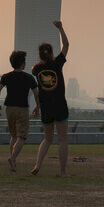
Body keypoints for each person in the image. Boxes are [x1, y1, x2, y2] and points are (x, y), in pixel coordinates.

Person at [30, 20, 70, 177]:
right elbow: (66, 45)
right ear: (52, 53)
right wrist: (60, 28)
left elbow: (34, 70)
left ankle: (37, 165)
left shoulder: (36, 68)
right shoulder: (57, 63)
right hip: (60, 105)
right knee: (62, 139)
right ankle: (63, 172)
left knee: (47, 139)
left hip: (46, 107)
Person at [0, 50, 41, 173]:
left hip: (9, 109)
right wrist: (38, 106)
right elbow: (36, 93)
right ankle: (12, 158)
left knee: (14, 136)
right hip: (22, 109)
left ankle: (13, 165)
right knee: (22, 137)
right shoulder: (29, 77)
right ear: (22, 63)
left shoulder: (6, 76)